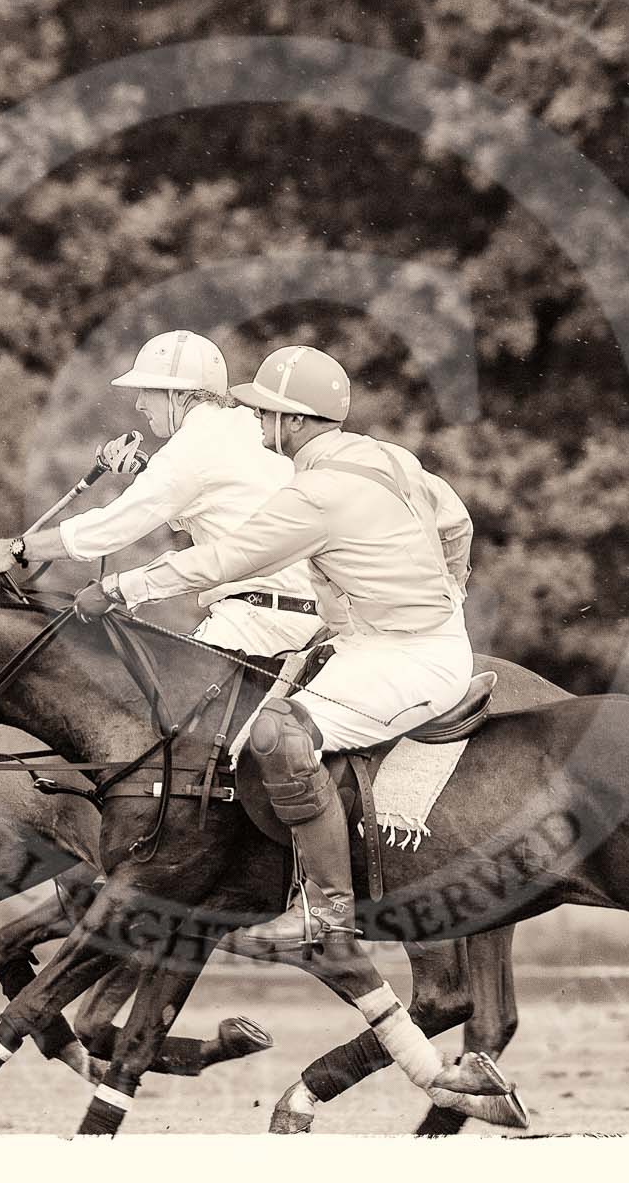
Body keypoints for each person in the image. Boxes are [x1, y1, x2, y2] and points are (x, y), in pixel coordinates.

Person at [77, 346, 475, 954]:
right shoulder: (386, 456)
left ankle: (328, 908)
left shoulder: (317, 493)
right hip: (383, 645)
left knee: (273, 736)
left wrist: (122, 586)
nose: (255, 421)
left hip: (408, 658)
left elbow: (229, 558)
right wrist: (452, 592)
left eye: (264, 411)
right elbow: (456, 521)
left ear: (293, 422)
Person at [0, 330, 321, 657]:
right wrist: (145, 470)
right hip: (310, 614)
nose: (139, 403)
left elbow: (110, 529)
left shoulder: (192, 448)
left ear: (180, 395)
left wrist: (16, 549)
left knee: (157, 714)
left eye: (147, 390)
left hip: (260, 622)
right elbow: (221, 504)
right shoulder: (243, 424)